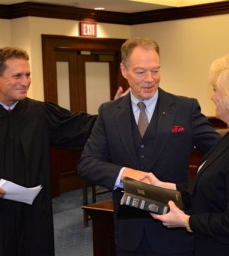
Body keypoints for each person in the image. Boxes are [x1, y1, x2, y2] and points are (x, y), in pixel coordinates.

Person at [77, 38, 220, 256]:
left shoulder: (185, 108)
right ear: (124, 70)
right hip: (129, 231)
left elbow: (221, 154)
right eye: (141, 72)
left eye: (155, 70)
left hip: (175, 229)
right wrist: (125, 174)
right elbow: (87, 164)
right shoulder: (108, 112)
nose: (150, 79)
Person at [0, 46, 109, 256]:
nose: (25, 81)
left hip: (33, 215)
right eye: (17, 76)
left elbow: (81, 128)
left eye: (28, 74)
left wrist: (114, 114)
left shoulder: (39, 112)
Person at [145, 49, 229, 256]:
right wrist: (165, 187)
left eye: (216, 89)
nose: (213, 96)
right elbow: (212, 189)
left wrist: (187, 221)